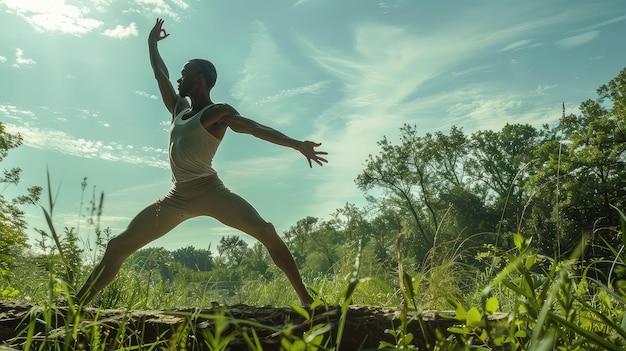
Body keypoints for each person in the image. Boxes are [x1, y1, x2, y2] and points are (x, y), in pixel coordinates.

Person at [76, 18, 327, 305]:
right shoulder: (180, 110)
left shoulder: (217, 112)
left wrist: (297, 144)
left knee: (266, 232)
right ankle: (76, 306)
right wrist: (151, 44)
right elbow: (161, 76)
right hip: (176, 198)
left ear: (200, 79)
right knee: (118, 245)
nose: (179, 79)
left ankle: (308, 302)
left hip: (211, 192)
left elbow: (255, 128)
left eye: (185, 74)